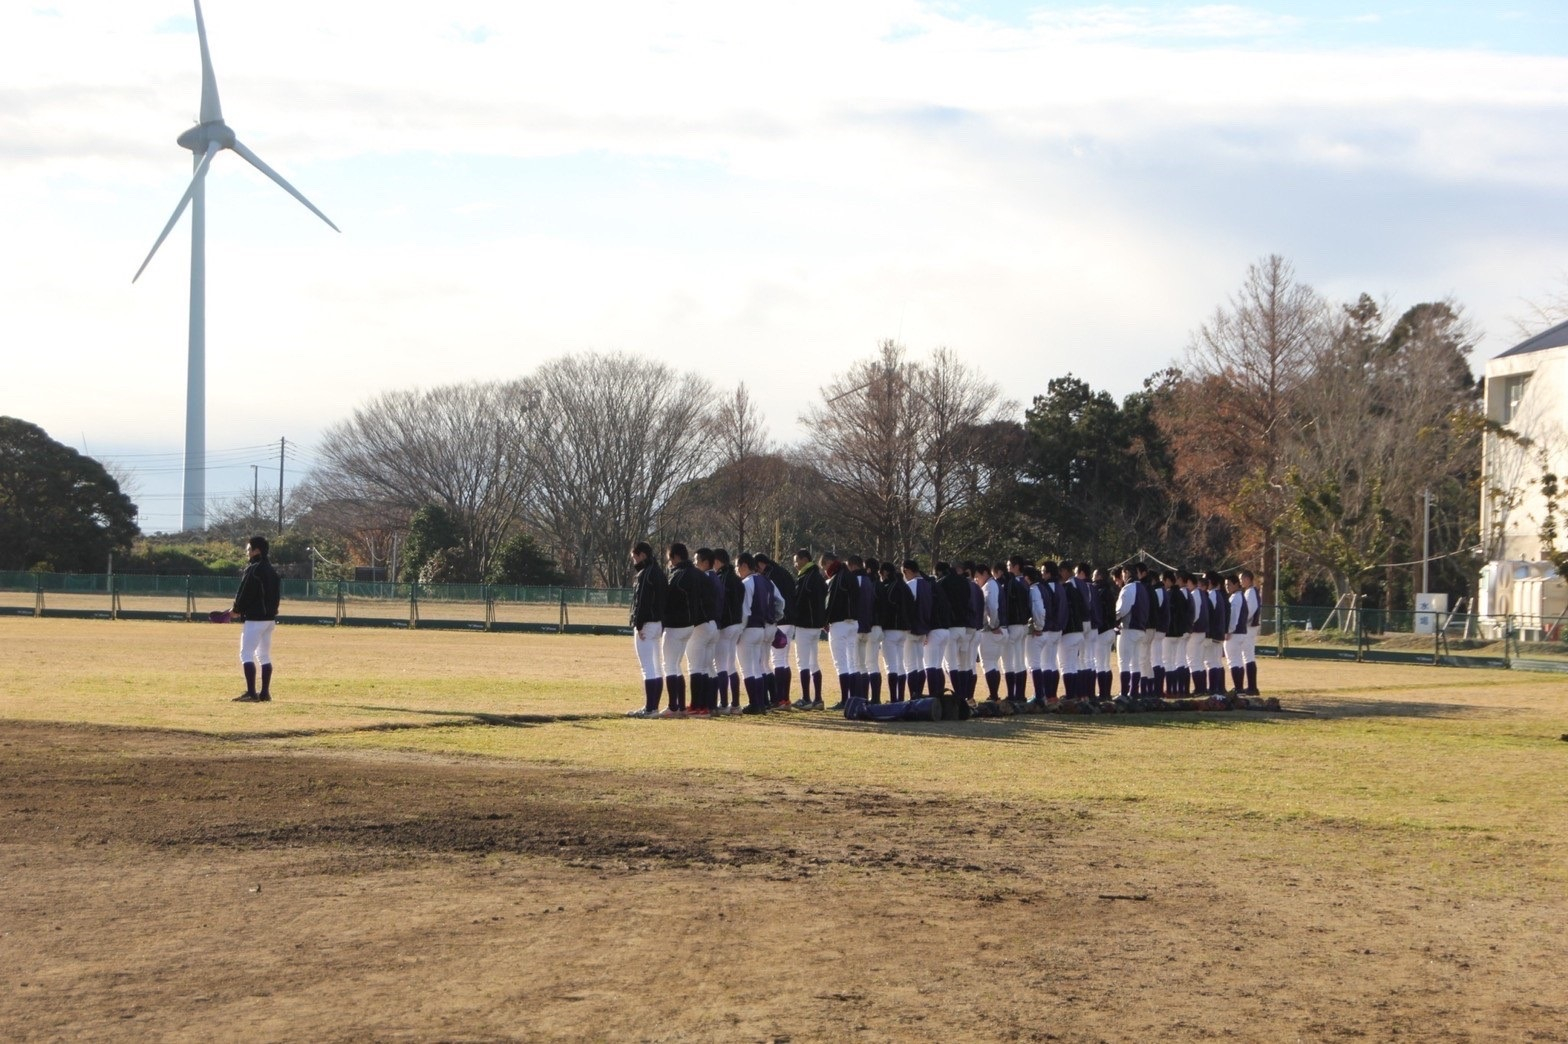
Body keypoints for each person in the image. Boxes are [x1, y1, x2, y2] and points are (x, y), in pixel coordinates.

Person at [663, 542, 714, 716]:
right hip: (699, 624)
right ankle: (701, 705)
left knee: (675, 665)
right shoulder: (700, 575)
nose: (669, 562)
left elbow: (669, 599)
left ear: (675, 557)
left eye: (670, 558)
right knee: (702, 666)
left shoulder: (678, 575)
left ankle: (680, 706)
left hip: (683, 624)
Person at [230, 535, 281, 702]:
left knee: (246, 654)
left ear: (256, 550)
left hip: (255, 619)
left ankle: (252, 693)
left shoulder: (253, 569)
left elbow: (244, 593)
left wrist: (236, 609)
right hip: (270, 619)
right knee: (264, 656)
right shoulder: (272, 570)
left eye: (248, 549)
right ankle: (265, 693)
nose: (247, 553)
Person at [735, 553, 782, 714]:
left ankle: (755, 704)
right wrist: (775, 618)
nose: (737, 570)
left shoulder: (747, 583)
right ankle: (761, 703)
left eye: (737, 566)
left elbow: (745, 611)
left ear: (744, 566)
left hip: (749, 628)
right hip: (763, 627)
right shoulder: (766, 580)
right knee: (758, 667)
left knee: (747, 668)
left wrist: (739, 631)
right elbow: (780, 601)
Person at [626, 541, 669, 717]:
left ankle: (650, 707)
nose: (634, 561)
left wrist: (639, 623)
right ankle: (653, 706)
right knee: (657, 666)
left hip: (647, 623)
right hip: (658, 623)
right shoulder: (659, 572)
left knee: (648, 667)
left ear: (642, 554)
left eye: (635, 557)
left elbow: (642, 600)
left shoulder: (645, 574)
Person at [756, 553, 797, 707]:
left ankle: (779, 698)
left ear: (761, 564)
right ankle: (784, 698)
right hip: (791, 620)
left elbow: (775, 600)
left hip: (780, 621)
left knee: (776, 660)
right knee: (784, 660)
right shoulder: (784, 572)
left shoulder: (770, 576)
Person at [790, 548, 827, 709]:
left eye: (797, 561)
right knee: (814, 662)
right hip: (817, 625)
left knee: (803, 662)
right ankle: (818, 698)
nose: (795, 565)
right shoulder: (818, 577)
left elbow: (799, 601)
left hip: (805, 624)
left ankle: (805, 698)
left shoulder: (806, 577)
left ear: (805, 560)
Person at [823, 552, 860, 710]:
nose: (825, 570)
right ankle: (854, 698)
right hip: (853, 622)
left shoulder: (837, 578)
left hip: (839, 623)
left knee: (841, 663)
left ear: (829, 563)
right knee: (852, 662)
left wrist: (825, 621)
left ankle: (845, 699)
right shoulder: (851, 576)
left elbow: (830, 602)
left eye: (824, 566)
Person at [711, 548, 745, 712]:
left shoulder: (721, 578)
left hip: (726, 625)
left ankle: (724, 704)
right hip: (737, 623)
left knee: (721, 666)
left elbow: (720, 603)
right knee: (731, 665)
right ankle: (735, 704)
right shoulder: (737, 578)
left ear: (717, 561)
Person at [879, 560, 912, 701]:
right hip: (904, 629)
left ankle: (893, 698)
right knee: (900, 665)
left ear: (885, 573)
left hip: (891, 629)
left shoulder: (888, 587)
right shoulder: (905, 586)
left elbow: (884, 608)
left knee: (890, 665)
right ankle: (900, 697)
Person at [1223, 573, 1249, 696]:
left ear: (1235, 584)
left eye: (1228, 584)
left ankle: (1238, 687)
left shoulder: (1235, 598)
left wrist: (1229, 630)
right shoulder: (1241, 596)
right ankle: (1239, 687)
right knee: (1238, 660)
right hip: (1241, 632)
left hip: (1235, 633)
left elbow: (1233, 616)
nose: (1227, 587)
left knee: (1232, 660)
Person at [1239, 569, 1262, 696]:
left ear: (1248, 579)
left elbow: (1249, 611)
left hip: (1249, 627)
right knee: (1248, 656)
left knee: (1247, 656)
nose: (1241, 581)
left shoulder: (1250, 592)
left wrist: (1242, 622)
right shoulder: (1251, 592)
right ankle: (1251, 686)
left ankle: (1252, 686)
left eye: (1242, 579)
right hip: (1250, 627)